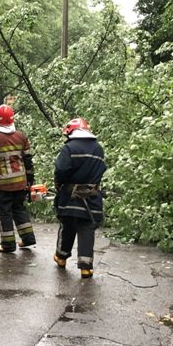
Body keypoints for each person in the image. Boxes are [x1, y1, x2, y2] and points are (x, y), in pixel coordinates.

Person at [0, 104, 37, 253]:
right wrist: (30, 179)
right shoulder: (21, 136)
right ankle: (28, 239)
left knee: (4, 213)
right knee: (19, 209)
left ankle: (8, 245)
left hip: (2, 185)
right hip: (20, 183)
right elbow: (28, 160)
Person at [53, 117, 107, 278]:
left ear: (70, 132)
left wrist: (59, 186)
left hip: (70, 197)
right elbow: (101, 169)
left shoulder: (69, 148)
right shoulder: (99, 149)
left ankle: (61, 257)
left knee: (68, 225)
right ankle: (86, 267)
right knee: (87, 228)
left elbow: (60, 171)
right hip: (92, 198)